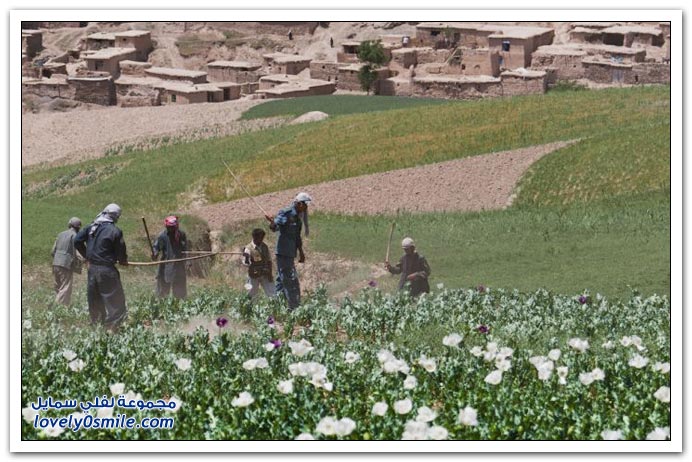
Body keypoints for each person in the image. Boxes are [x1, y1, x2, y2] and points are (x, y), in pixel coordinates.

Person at [74, 203, 128, 331]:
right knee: (115, 300)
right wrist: (123, 260)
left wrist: (87, 256)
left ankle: (97, 326)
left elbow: (77, 241)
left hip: (92, 269)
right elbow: (121, 250)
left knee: (95, 298)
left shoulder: (91, 227)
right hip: (106, 270)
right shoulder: (115, 231)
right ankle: (112, 328)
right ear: (115, 216)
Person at [265, 192, 312, 310]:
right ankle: (294, 308)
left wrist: (301, 252)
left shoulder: (298, 218)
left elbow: (297, 237)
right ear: (300, 204)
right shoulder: (286, 213)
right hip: (283, 252)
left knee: (281, 281)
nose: (306, 208)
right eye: (305, 205)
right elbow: (275, 227)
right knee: (290, 280)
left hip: (290, 253)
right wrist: (272, 222)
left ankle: (276, 307)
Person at [152, 215, 188, 299]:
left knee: (180, 292)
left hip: (178, 266)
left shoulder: (181, 235)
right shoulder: (162, 236)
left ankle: (179, 303)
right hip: (166, 266)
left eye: (173, 227)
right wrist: (154, 254)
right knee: (163, 292)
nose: (171, 229)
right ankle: (162, 304)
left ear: (176, 226)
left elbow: (185, 249)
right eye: (169, 227)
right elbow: (156, 248)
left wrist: (187, 261)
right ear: (166, 226)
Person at [51, 217, 83, 305]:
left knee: (58, 286)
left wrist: (58, 258)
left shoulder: (60, 234)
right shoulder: (75, 236)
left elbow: (53, 251)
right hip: (66, 264)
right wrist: (85, 260)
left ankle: (59, 306)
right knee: (65, 287)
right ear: (78, 227)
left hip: (56, 263)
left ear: (69, 225)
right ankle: (57, 308)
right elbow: (78, 253)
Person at [242, 228, 275, 301]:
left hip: (265, 274)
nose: (262, 239)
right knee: (251, 295)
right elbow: (245, 263)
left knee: (272, 293)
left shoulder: (264, 247)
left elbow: (269, 260)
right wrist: (247, 258)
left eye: (262, 237)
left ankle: (274, 306)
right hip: (253, 275)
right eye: (260, 237)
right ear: (255, 237)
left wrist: (270, 273)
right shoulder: (248, 249)